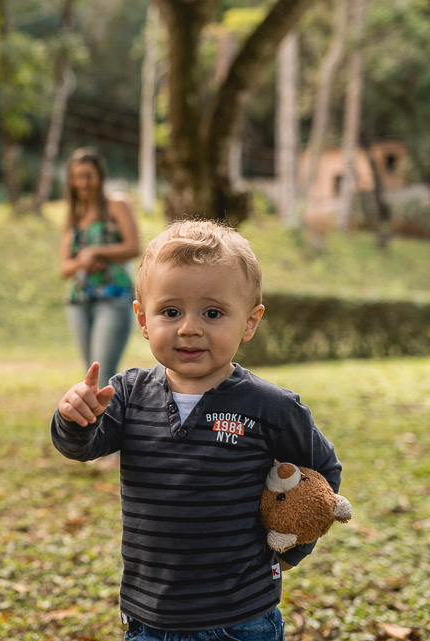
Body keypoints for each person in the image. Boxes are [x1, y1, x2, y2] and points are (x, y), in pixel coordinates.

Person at [51, 220, 343, 638]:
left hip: (242, 617)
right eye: (171, 311)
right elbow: (82, 446)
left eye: (213, 312)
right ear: (143, 318)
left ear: (250, 321)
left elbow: (324, 476)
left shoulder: (272, 407)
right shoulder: (127, 394)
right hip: (149, 616)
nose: (189, 328)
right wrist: (75, 417)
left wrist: (291, 548)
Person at [60, 147, 140, 388]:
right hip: (79, 300)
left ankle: (107, 426)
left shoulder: (117, 205)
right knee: (90, 375)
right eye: (77, 177)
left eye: (88, 175)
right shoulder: (74, 216)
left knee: (104, 373)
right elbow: (64, 266)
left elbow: (134, 246)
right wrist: (80, 262)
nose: (83, 182)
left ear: (100, 176)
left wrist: (96, 251)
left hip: (113, 298)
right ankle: (93, 426)